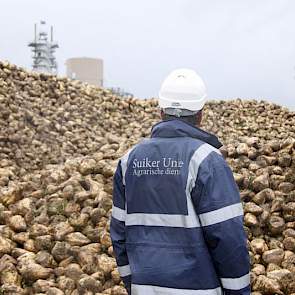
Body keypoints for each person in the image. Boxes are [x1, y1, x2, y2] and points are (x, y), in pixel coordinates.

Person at [110, 69, 250, 295]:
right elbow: (227, 238)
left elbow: (119, 234)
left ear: (161, 110)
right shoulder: (206, 161)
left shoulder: (128, 161)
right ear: (201, 113)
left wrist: (132, 284)